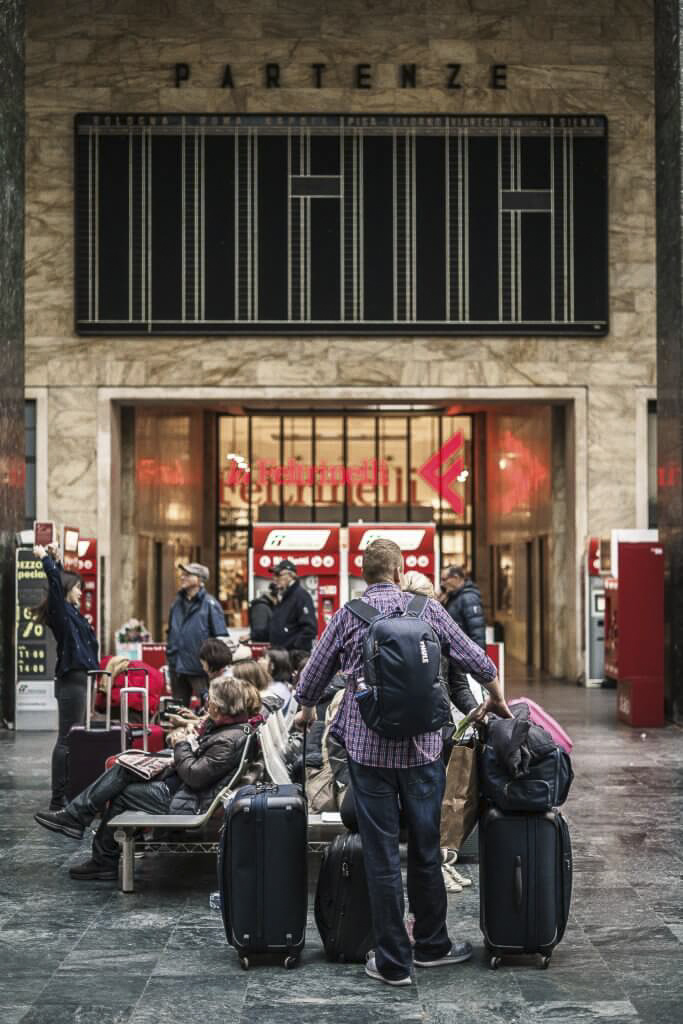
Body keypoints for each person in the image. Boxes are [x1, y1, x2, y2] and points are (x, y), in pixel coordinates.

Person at [293, 538, 511, 987]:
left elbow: (312, 675)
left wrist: (307, 707)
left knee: (381, 854)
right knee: (427, 849)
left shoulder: (348, 615)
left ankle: (393, 961)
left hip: (368, 753)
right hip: (423, 751)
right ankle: (432, 945)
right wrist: (496, 695)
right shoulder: (426, 610)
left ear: (364, 574)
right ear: (399, 570)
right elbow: (473, 657)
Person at [34, 639, 259, 880]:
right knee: (125, 768)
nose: (207, 704)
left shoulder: (227, 738)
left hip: (185, 799)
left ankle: (92, 842)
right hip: (181, 788)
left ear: (220, 708)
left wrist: (181, 743)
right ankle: (85, 831)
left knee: (122, 789)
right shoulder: (231, 729)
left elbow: (195, 776)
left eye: (211, 701)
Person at [33, 542, 99, 811]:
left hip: (81, 679)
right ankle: (57, 798)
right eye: (77, 587)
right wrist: (45, 561)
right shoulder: (61, 615)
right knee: (66, 737)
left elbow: (60, 583)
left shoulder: (72, 614)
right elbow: (56, 586)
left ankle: (70, 791)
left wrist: (56, 559)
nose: (81, 592)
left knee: (74, 737)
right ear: (67, 591)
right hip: (71, 681)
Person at [166, 562, 229, 707]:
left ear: (200, 580)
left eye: (187, 575)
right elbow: (171, 633)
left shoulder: (210, 604)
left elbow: (221, 639)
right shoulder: (176, 604)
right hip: (177, 668)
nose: (182, 577)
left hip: (201, 669)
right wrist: (170, 658)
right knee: (177, 710)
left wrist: (211, 666)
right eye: (182, 574)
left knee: (209, 707)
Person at [268, 560, 317, 652]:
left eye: (278, 574)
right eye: (274, 575)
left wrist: (295, 649)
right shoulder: (283, 596)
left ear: (291, 576)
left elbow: (310, 629)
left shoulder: (301, 596)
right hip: (281, 654)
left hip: (292, 657)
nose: (275, 578)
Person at [440, 565, 486, 650]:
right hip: (457, 653)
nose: (442, 583)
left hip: (465, 654)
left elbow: (477, 632)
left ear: (456, 578)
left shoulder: (469, 598)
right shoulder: (452, 596)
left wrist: (478, 658)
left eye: (444, 579)